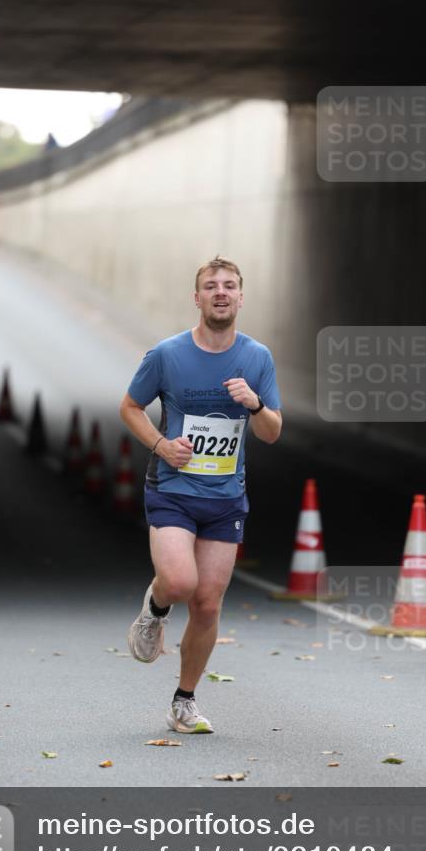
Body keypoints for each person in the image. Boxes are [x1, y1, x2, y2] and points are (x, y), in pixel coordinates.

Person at [120, 257, 282, 733]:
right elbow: (130, 407)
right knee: (180, 581)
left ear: (240, 297)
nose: (220, 293)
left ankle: (184, 701)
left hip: (226, 496)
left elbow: (272, 432)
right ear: (197, 298)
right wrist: (161, 444)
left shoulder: (257, 358)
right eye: (211, 286)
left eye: (229, 286)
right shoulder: (167, 355)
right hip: (172, 487)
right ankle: (155, 608)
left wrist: (254, 404)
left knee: (208, 603)